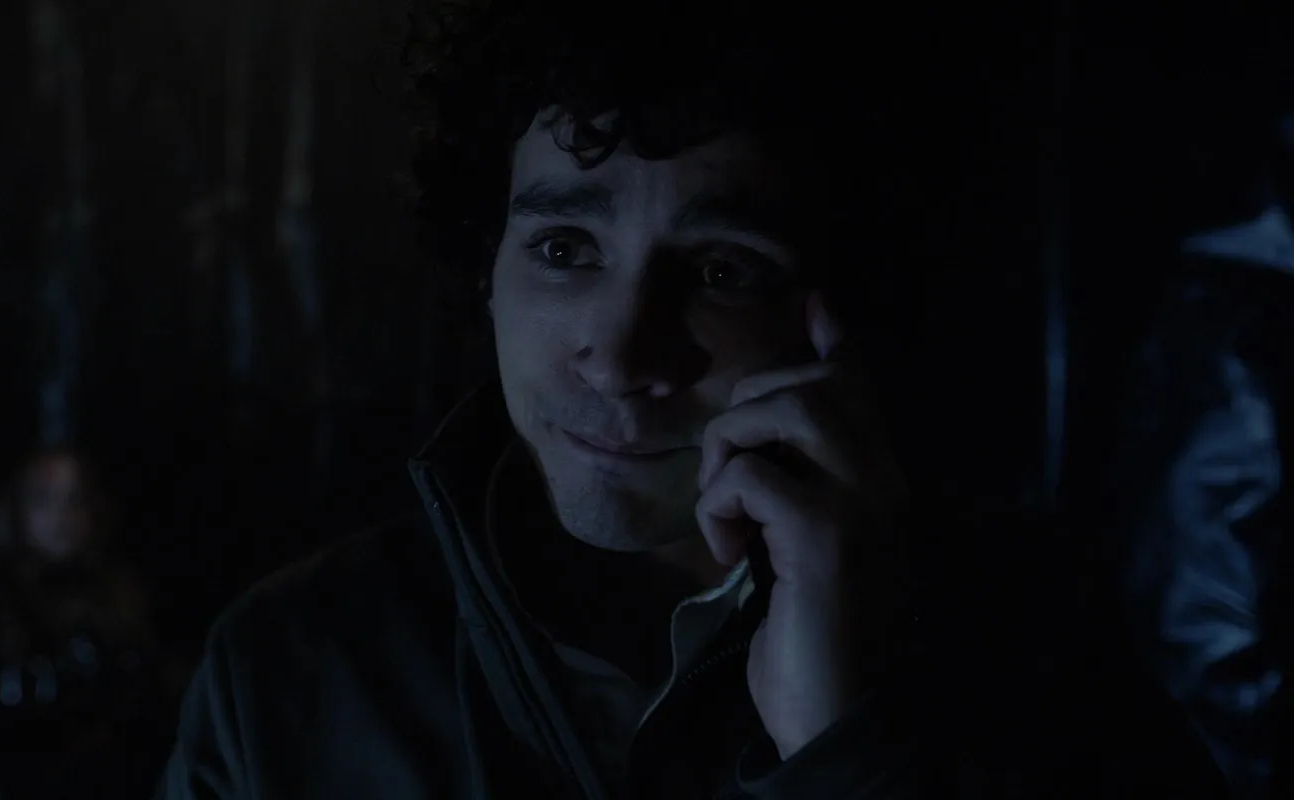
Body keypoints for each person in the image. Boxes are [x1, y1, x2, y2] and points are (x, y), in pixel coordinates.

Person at [156, 1, 1222, 797]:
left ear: (838, 308)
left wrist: (848, 747)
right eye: (564, 248)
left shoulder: (1033, 652)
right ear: (488, 269)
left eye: (719, 271)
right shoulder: (289, 667)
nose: (621, 357)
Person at [0, 448, 179, 799]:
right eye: (43, 499)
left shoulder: (124, 596)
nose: (62, 515)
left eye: (76, 499)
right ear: (17, 509)